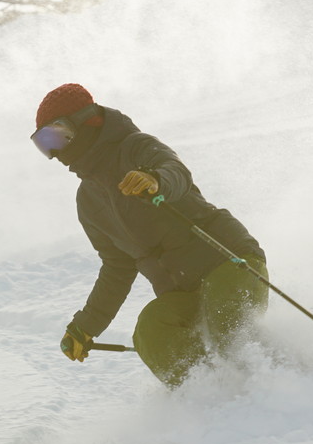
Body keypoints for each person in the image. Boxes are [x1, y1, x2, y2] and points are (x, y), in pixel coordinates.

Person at [31, 83, 268, 387]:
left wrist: (155, 180)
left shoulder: (136, 147)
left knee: (226, 322)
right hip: (182, 293)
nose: (55, 151)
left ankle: (275, 382)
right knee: (151, 329)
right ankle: (208, 396)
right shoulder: (89, 201)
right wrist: (85, 327)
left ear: (86, 123)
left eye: (57, 136)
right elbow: (117, 267)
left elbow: (176, 171)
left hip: (229, 262)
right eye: (44, 143)